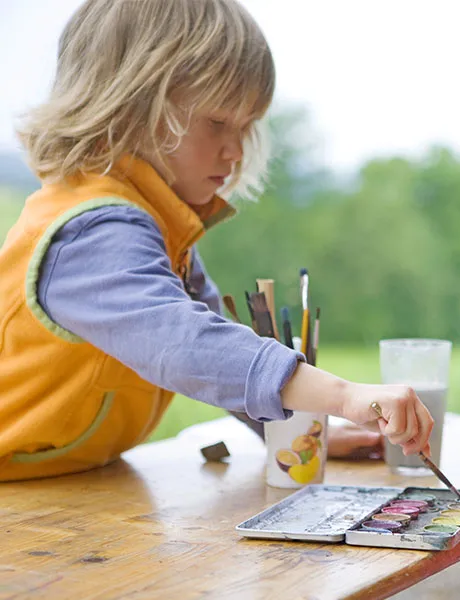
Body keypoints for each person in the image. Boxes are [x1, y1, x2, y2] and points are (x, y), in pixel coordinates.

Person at [0, 0, 432, 482]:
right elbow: (187, 345)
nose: (236, 150)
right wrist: (345, 396)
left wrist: (297, 428)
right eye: (218, 122)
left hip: (67, 480)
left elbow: (225, 363)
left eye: (247, 127)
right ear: (131, 103)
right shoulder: (89, 230)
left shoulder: (161, 226)